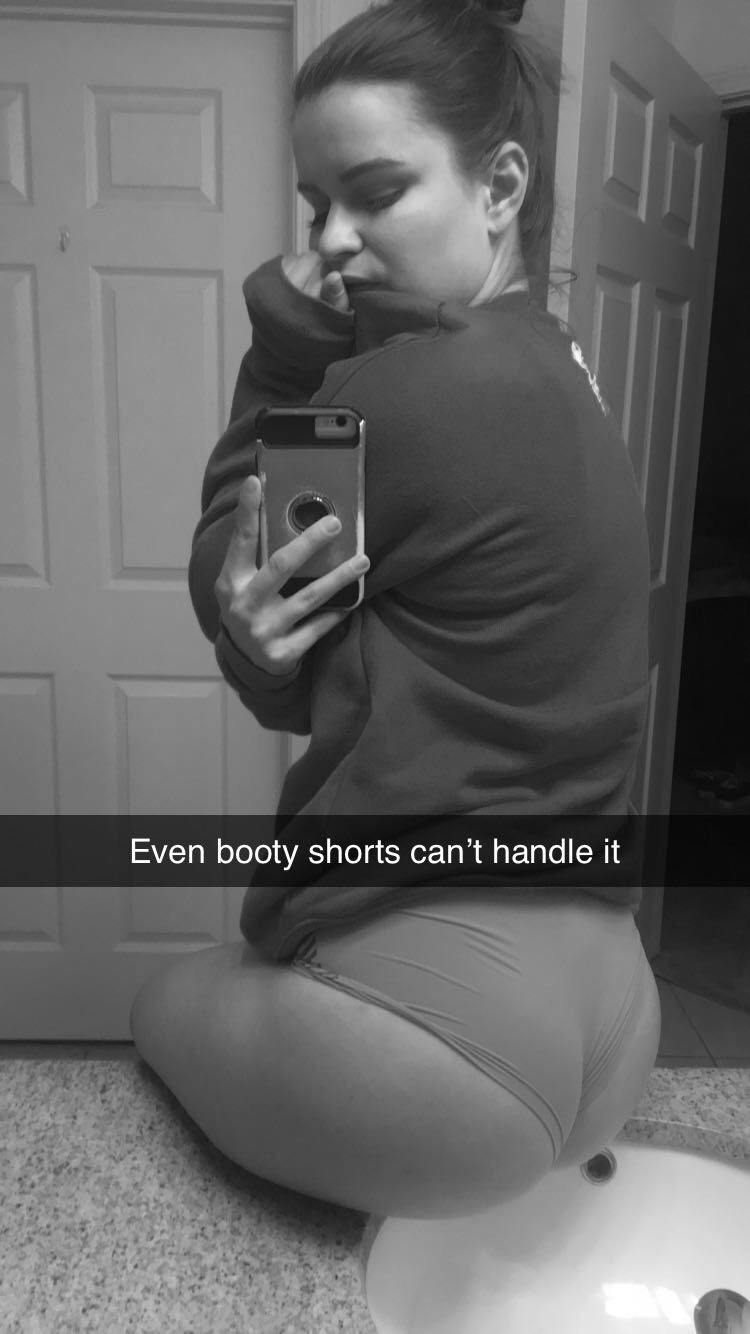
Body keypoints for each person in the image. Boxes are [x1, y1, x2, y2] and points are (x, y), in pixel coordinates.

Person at [130, 0, 661, 1222]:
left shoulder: (400, 391)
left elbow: (233, 571)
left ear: (501, 185)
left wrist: (282, 345)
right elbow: (323, 646)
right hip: (610, 998)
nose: (332, 239)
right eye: (315, 203)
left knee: (153, 1008)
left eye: (375, 192)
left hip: (451, 1047)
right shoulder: (560, 362)